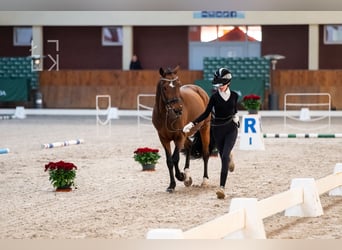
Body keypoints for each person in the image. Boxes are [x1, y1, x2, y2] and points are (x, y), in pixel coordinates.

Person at [183, 68, 239, 199]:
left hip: (231, 129)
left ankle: (222, 188)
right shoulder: (214, 98)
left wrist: (236, 117)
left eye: (221, 85)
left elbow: (234, 110)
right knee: (223, 155)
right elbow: (205, 114)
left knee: (224, 157)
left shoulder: (235, 96)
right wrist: (191, 124)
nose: (219, 87)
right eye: (217, 85)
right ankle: (230, 154)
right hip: (217, 130)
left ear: (228, 83)